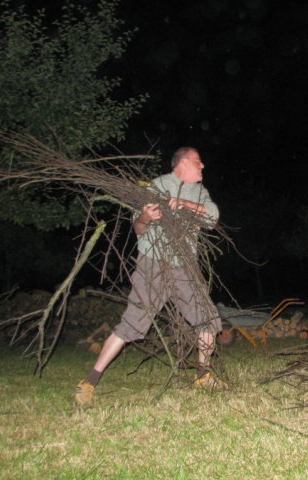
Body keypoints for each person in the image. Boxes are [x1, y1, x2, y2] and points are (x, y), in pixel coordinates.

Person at [75, 147, 225, 406]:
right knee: (132, 324)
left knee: (208, 320)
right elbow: (139, 229)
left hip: (184, 268)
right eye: (199, 162)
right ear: (184, 163)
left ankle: (203, 375)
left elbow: (213, 217)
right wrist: (146, 216)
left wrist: (184, 204)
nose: (203, 167)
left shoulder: (200, 192)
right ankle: (89, 381)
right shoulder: (155, 187)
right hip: (153, 266)